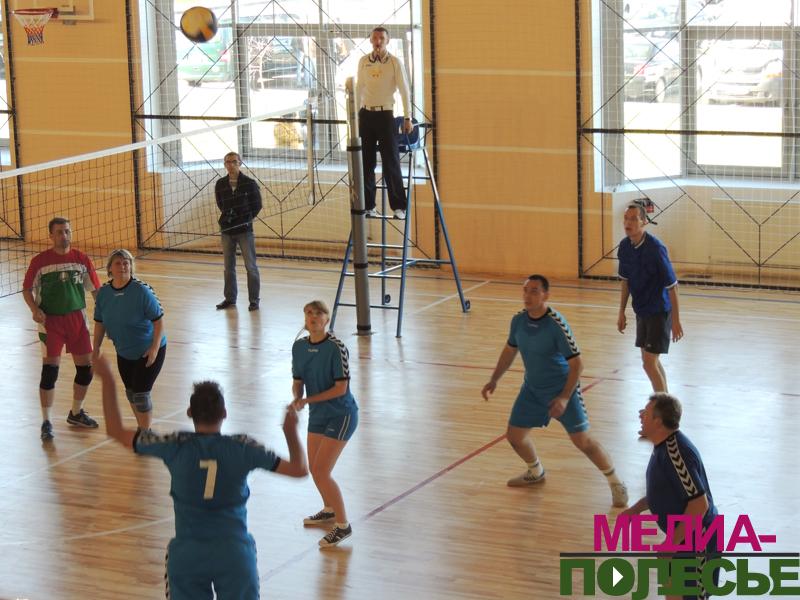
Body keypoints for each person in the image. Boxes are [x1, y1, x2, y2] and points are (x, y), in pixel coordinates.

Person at [94, 354, 308, 599]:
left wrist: (107, 378)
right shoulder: (243, 447)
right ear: (224, 413)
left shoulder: (175, 445)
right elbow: (299, 469)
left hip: (188, 555)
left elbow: (115, 431)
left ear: (189, 412)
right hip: (234, 554)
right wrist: (290, 432)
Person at [481, 275, 628, 507]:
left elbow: (577, 365)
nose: (528, 296)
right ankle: (535, 471)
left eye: (534, 291)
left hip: (562, 389)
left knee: (584, 442)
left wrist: (564, 398)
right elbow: (510, 351)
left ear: (546, 295)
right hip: (532, 390)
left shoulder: (556, 324)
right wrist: (494, 379)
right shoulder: (518, 321)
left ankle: (616, 483)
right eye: (525, 290)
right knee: (515, 437)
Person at [622, 393, 719, 600]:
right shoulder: (662, 447)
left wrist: (671, 544)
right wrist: (635, 510)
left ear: (658, 421)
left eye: (646, 412)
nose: (640, 415)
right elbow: (664, 491)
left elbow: (699, 505)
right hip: (682, 537)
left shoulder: (676, 453)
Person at [22, 216, 102, 441]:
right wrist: (34, 309)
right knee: (50, 372)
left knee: (86, 370)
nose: (64, 236)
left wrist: (107, 314)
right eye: (59, 232)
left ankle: (76, 413)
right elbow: (27, 289)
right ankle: (46, 422)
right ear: (51, 236)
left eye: (67, 231)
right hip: (51, 323)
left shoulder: (82, 259)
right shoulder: (40, 261)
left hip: (77, 321)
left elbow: (96, 291)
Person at [290, 300, 359, 547]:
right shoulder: (299, 347)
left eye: (318, 313)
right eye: (309, 313)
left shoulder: (336, 348)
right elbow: (297, 379)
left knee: (321, 471)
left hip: (341, 415)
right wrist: (297, 397)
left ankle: (343, 526)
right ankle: (329, 509)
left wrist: (308, 400)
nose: (313, 317)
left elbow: (341, 388)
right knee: (315, 469)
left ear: (326, 320)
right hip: (318, 415)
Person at [92, 249, 167, 430]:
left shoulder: (142, 291)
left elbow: (159, 321)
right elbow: (100, 323)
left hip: (148, 350)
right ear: (110, 268)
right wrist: (96, 348)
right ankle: (143, 428)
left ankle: (146, 433)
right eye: (118, 263)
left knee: (141, 394)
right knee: (131, 393)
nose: (123, 266)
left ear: (131, 266)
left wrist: (154, 349)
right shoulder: (103, 293)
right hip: (124, 351)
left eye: (126, 263)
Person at [617, 199, 684, 396]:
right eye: (626, 218)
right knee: (650, 361)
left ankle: (662, 407)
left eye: (633, 219)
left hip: (659, 312)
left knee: (649, 363)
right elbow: (625, 281)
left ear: (644, 222)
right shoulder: (624, 247)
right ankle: (665, 400)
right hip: (641, 311)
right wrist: (621, 312)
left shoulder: (656, 249)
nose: (628, 223)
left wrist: (676, 321)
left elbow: (673, 287)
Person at [356, 26, 413, 220]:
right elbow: (359, 88)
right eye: (374, 38)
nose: (378, 41)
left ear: (387, 41)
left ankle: (399, 207)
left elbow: (404, 91)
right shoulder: (363, 61)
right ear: (370, 40)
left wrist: (407, 117)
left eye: (381, 38)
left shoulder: (394, 62)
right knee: (366, 162)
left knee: (391, 161)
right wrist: (355, 116)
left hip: (386, 115)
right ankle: (368, 205)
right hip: (366, 115)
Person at [215, 151, 263, 312]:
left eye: (234, 162)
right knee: (228, 267)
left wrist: (245, 218)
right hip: (227, 230)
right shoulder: (220, 183)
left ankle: (254, 300)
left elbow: (257, 205)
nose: (231, 165)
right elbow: (220, 204)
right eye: (228, 162)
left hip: (244, 230)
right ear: (225, 165)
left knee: (251, 266)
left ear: (240, 163)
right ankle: (230, 299)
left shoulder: (249, 183)